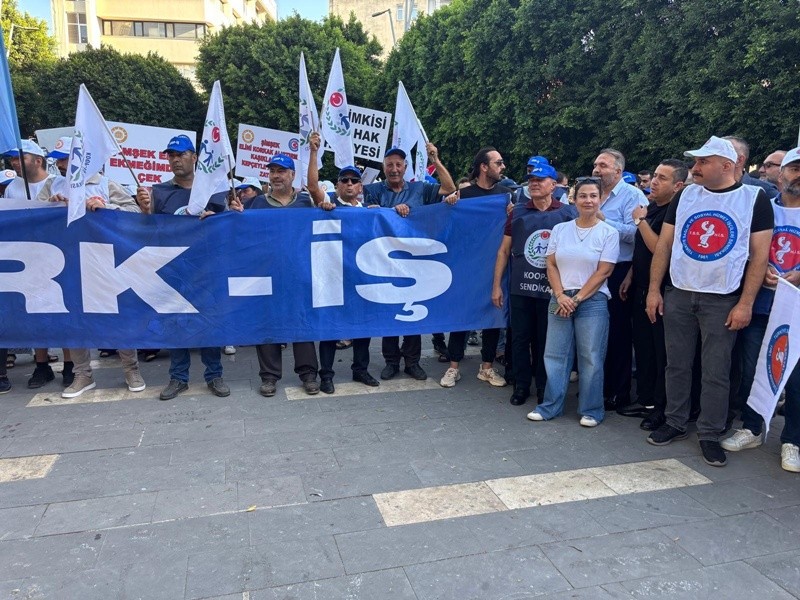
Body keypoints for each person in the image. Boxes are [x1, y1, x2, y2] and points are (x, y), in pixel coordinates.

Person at [646, 136, 773, 467]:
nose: (695, 167)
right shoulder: (686, 195)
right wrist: (654, 289)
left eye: (703, 162)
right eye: (696, 161)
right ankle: (675, 421)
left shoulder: (754, 199)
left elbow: (759, 257)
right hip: (679, 292)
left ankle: (710, 432)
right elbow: (665, 245)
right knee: (676, 363)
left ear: (727, 166)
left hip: (723, 297)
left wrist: (745, 303)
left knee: (717, 370)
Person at [721, 147, 800, 472]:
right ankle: (752, 428)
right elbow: (744, 247)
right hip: (761, 303)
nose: (798, 176)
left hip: (795, 309)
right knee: (753, 368)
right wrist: (761, 267)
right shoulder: (763, 207)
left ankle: (792, 440)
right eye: (794, 168)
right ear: (781, 173)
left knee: (794, 377)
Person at [136, 134, 231, 401]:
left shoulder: (214, 190)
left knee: (209, 322)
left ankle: (214, 375)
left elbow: (227, 227)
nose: (175, 160)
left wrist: (224, 215)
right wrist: (145, 211)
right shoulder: (158, 192)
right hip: (173, 270)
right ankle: (179, 378)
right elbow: (149, 231)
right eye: (171, 155)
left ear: (195, 157)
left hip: (206, 268)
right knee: (175, 323)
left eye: (181, 154)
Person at [527, 177, 619, 425]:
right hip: (559, 297)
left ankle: (592, 410)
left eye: (593, 196)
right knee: (554, 355)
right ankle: (550, 406)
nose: (588, 200)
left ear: (600, 200)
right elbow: (551, 264)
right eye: (583, 196)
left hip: (592, 300)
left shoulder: (609, 233)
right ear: (574, 199)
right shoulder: (560, 229)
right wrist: (560, 295)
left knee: (590, 357)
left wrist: (576, 298)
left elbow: (604, 271)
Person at [363, 145, 456, 381]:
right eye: (390, 165)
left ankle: (412, 362)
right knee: (390, 313)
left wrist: (436, 159)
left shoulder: (419, 188)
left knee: (414, 314)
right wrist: (388, 211)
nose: (394, 169)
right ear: (384, 168)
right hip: (385, 262)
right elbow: (363, 216)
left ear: (405, 167)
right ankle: (391, 362)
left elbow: (449, 188)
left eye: (398, 165)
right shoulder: (372, 190)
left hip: (416, 262)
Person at [236, 151, 320, 397]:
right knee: (268, 324)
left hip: (298, 273)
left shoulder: (306, 202)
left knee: (302, 323)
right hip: (267, 274)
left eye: (281, 171)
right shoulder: (256, 204)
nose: (276, 175)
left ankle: (308, 374)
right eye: (272, 171)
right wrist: (230, 214)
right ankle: (269, 377)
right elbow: (238, 227)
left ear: (292, 174)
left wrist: (327, 206)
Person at [491, 162, 577, 404]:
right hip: (521, 287)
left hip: (553, 289)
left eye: (540, 180)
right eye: (532, 181)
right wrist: (496, 286)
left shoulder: (568, 214)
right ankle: (520, 386)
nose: (535, 184)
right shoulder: (517, 212)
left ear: (553, 185)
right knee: (519, 338)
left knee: (545, 340)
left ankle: (542, 386)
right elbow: (503, 251)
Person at [618, 159, 688, 429]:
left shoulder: (674, 212)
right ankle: (645, 400)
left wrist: (639, 220)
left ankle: (662, 408)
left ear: (678, 186)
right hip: (641, 287)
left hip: (662, 293)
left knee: (662, 355)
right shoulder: (652, 208)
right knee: (644, 349)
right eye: (655, 176)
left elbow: (660, 247)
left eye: (662, 178)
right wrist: (631, 274)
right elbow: (642, 251)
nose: (654, 182)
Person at [307, 134, 379, 393]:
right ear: (337, 185)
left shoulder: (369, 209)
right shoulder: (328, 203)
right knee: (330, 327)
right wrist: (314, 152)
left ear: (360, 186)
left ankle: (360, 370)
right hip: (331, 276)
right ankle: (326, 375)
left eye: (354, 180)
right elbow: (312, 186)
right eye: (344, 180)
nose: (349, 183)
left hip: (359, 275)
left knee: (362, 326)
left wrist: (379, 216)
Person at [439, 147, 512, 388]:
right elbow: (447, 226)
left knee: (493, 314)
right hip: (467, 267)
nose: (503, 167)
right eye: (498, 163)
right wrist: (449, 205)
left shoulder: (505, 195)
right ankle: (453, 366)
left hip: (495, 266)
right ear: (484, 167)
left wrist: (512, 213)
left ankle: (487, 367)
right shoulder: (464, 195)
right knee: (462, 315)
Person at [591, 149, 648, 412]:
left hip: (619, 270)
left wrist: (605, 221)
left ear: (618, 170)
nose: (596, 169)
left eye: (602, 165)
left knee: (617, 333)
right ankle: (600, 385)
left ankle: (618, 391)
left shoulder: (632, 195)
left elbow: (636, 234)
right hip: (593, 269)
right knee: (596, 330)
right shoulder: (593, 193)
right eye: (595, 164)